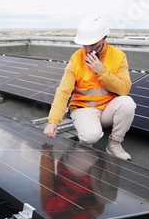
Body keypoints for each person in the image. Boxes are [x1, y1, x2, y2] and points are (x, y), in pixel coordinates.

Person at [43, 14, 136, 161]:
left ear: (104, 38)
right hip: (83, 109)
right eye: (84, 45)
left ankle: (114, 145)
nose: (87, 50)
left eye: (92, 45)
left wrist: (101, 71)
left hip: (106, 110)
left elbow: (124, 89)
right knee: (90, 136)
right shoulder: (76, 58)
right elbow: (63, 92)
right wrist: (53, 121)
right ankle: (85, 148)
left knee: (128, 103)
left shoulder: (118, 56)